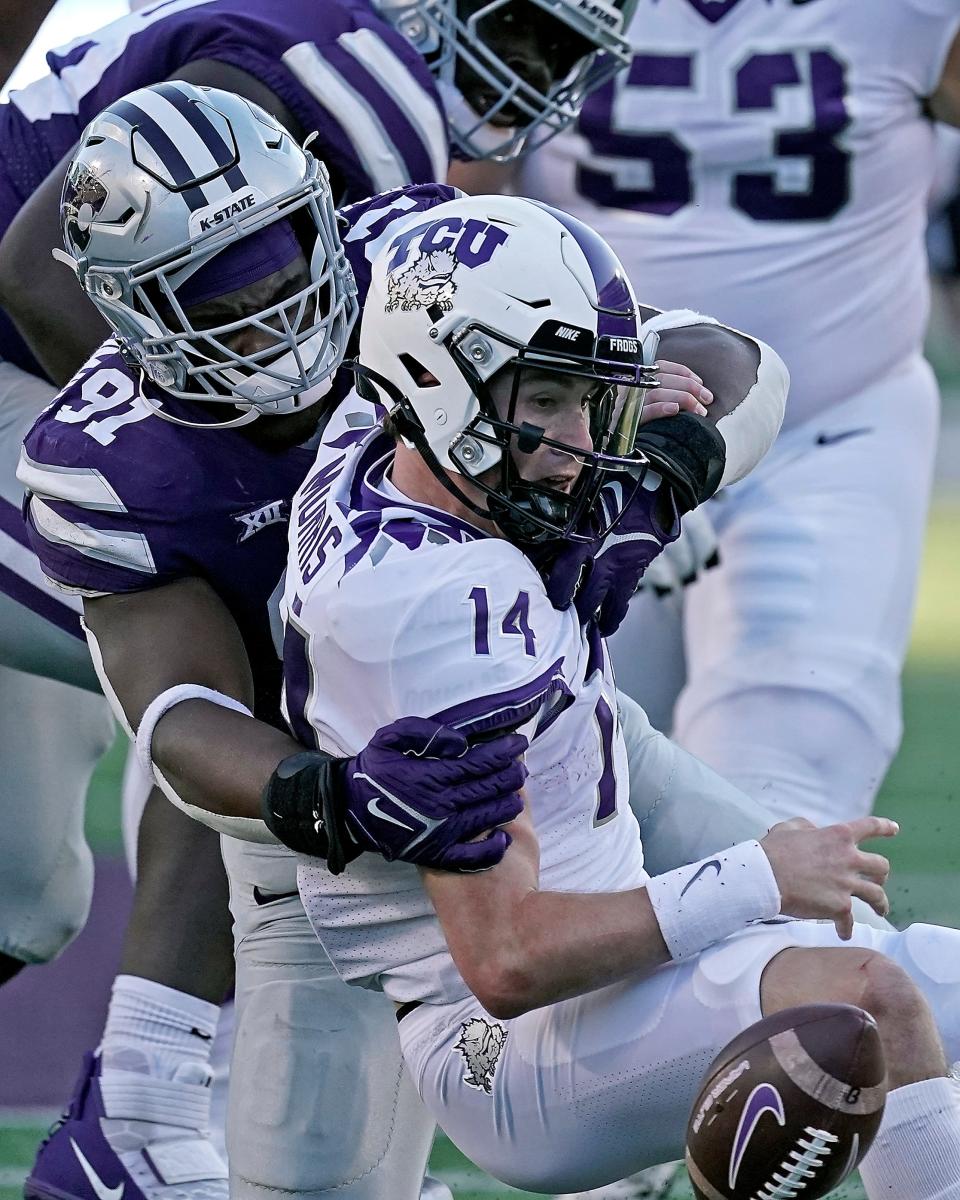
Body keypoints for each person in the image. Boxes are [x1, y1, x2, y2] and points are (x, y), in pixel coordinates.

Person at [17, 83, 737, 1200]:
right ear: (129, 307)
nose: (273, 298)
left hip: (558, 723)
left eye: (282, 248)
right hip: (327, 854)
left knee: (840, 948)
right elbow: (181, 718)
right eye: (217, 291)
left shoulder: (414, 262)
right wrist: (332, 794)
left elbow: (719, 358)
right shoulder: (109, 461)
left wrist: (657, 476)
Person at [282, 191, 960, 1199]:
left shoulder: (387, 435)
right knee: (870, 1002)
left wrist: (657, 483)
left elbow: (735, 358)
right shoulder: (441, 614)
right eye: (548, 399)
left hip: (606, 951)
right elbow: (507, 959)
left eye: (588, 398)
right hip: (511, 1048)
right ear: (439, 385)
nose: (581, 438)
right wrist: (752, 879)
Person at [507, 0, 960, 830]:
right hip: (593, 440)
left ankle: (787, 949)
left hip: (830, 430)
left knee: (782, 764)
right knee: (562, 776)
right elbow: (462, 201)